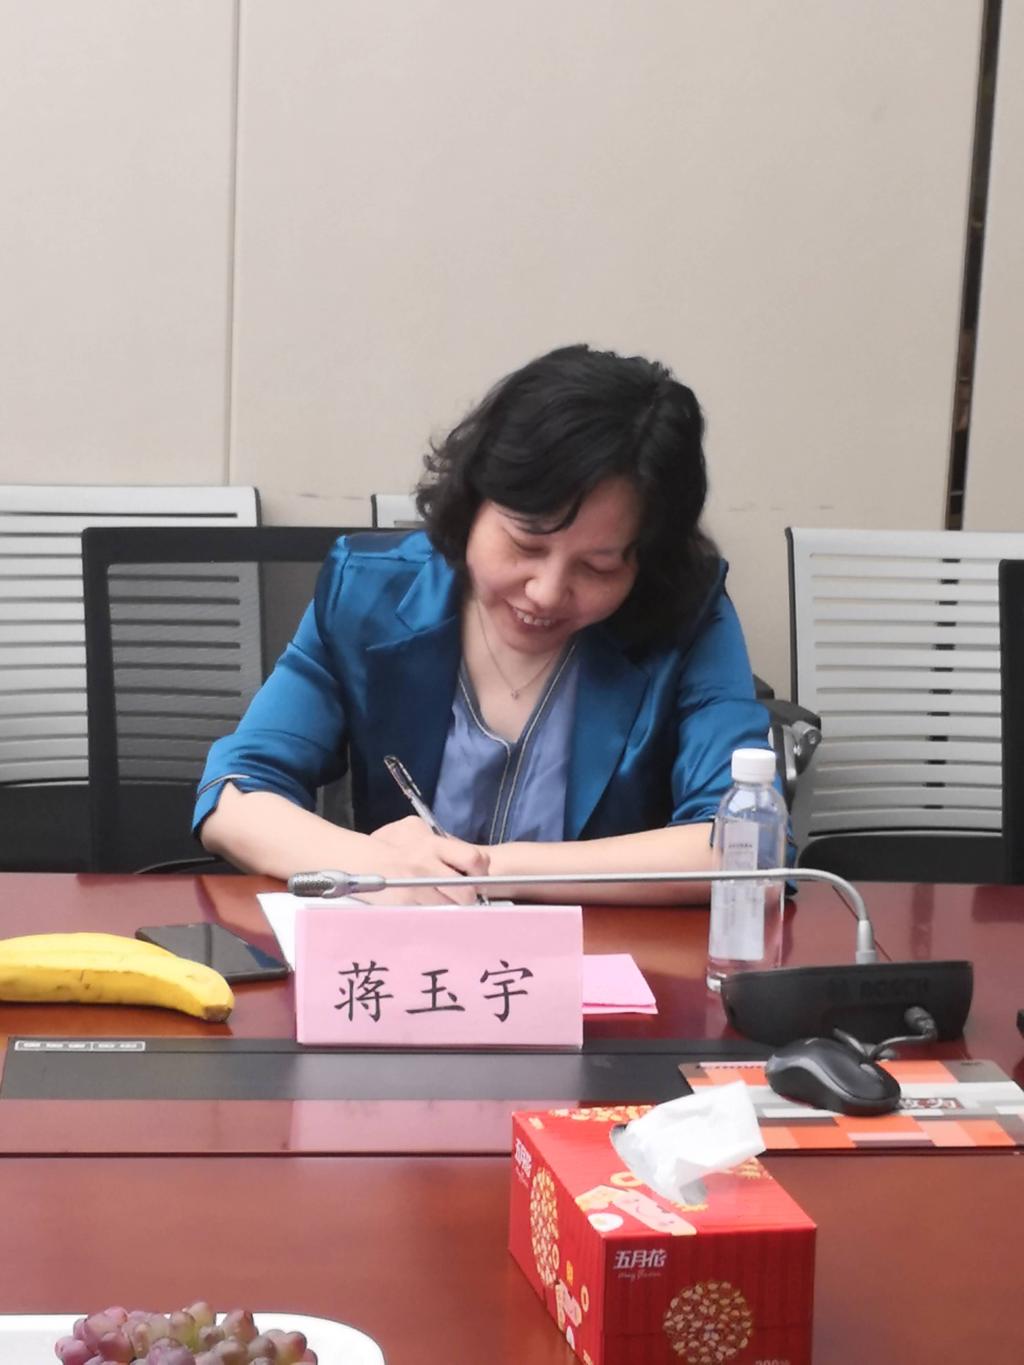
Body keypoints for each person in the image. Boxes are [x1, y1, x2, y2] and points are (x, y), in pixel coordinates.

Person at [194, 343, 773, 904]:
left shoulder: (684, 615)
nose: (546, 592)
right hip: (403, 953)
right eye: (525, 544)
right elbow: (234, 794)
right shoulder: (370, 595)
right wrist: (376, 866)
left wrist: (484, 869)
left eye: (598, 567)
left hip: (596, 958)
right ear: (473, 501)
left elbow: (747, 851)